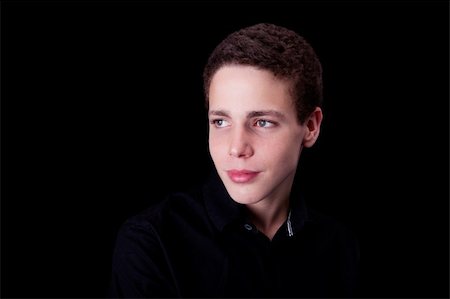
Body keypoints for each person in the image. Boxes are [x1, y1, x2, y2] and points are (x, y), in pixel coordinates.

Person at [108, 22, 360, 298]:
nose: (236, 148)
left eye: (262, 122)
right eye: (220, 121)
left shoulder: (341, 248)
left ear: (311, 127)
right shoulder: (152, 241)